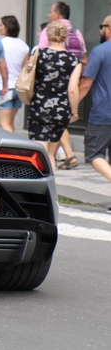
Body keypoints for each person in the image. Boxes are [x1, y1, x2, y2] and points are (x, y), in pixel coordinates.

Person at [27, 20, 81, 171]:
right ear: (65, 37)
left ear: (48, 35)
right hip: (61, 110)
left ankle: (39, 187)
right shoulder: (73, 60)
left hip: (39, 106)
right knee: (51, 153)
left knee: (39, 151)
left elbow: (27, 76)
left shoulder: (38, 54)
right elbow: (72, 89)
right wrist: (74, 112)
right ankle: (51, 187)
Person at [39, 1, 87, 170]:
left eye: (50, 11)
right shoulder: (76, 32)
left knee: (53, 125)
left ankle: (67, 155)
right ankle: (68, 154)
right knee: (61, 121)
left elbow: (42, 56)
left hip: (52, 87)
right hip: (71, 83)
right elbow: (84, 58)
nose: (48, 15)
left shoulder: (48, 31)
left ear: (58, 14)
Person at [78, 15, 111, 213]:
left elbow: (86, 83)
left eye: (102, 26)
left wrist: (73, 107)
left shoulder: (100, 51)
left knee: (93, 153)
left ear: (109, 30)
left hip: (103, 113)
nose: (101, 30)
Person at [0, 15, 29, 132]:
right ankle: (15, 147)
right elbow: (25, 68)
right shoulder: (24, 46)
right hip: (18, 87)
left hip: (4, 86)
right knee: (10, 122)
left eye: (1, 25)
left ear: (7, 28)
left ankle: (14, 149)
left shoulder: (0, 43)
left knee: (4, 123)